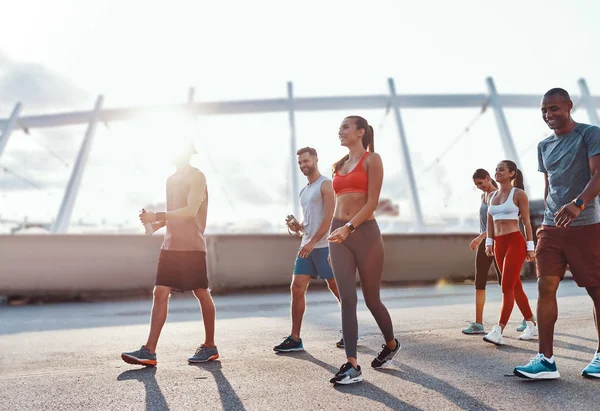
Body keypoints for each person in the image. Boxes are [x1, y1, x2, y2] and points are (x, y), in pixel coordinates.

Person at [514, 88, 600, 380]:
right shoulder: (544, 146)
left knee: (596, 290)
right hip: (551, 228)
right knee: (545, 287)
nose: (548, 115)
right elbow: (550, 185)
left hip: (586, 224)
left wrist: (578, 204)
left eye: (553, 109)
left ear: (568, 106)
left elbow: (598, 173)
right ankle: (546, 360)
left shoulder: (589, 135)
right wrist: (547, 221)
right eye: (543, 111)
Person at [121, 142, 219, 366]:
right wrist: (155, 224)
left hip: (192, 245)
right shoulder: (171, 179)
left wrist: (157, 215)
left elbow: (191, 211)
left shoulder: (197, 176)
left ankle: (210, 346)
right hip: (170, 245)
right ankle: (149, 351)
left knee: (201, 292)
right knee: (160, 292)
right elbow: (174, 213)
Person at [327, 115, 399, 385]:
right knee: (348, 299)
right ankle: (352, 364)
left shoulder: (372, 159)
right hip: (339, 234)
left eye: (345, 127)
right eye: (339, 128)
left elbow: (372, 202)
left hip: (365, 234)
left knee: (371, 299)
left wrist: (349, 227)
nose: (340, 132)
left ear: (360, 132)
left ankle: (391, 345)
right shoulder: (338, 165)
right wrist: (332, 231)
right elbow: (336, 204)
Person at [273, 146, 344, 352]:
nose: (303, 165)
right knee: (297, 288)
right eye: (300, 163)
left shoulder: (326, 185)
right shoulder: (304, 191)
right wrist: (298, 227)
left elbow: (329, 217)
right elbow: (310, 221)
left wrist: (312, 242)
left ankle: (351, 331)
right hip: (307, 247)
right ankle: (295, 338)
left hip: (324, 247)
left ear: (315, 159)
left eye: (306, 161)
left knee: (338, 290)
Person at [482, 160, 537, 345]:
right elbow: (490, 222)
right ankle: (531, 324)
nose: (497, 172)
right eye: (496, 169)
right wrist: (488, 243)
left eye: (501, 170)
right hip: (499, 244)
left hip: (515, 241)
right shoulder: (492, 196)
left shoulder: (519, 194)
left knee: (506, 286)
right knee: (515, 286)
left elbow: (527, 222)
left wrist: (530, 247)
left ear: (512, 173)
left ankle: (499, 329)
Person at [462, 169, 502, 334]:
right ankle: (478, 323)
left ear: (488, 178)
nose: (479, 187)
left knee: (506, 283)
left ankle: (528, 319)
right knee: (480, 283)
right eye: (476, 185)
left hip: (498, 242)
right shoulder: (483, 196)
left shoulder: (499, 196)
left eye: (480, 183)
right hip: (484, 243)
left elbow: (498, 224)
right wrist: (481, 239)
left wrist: (480, 238)